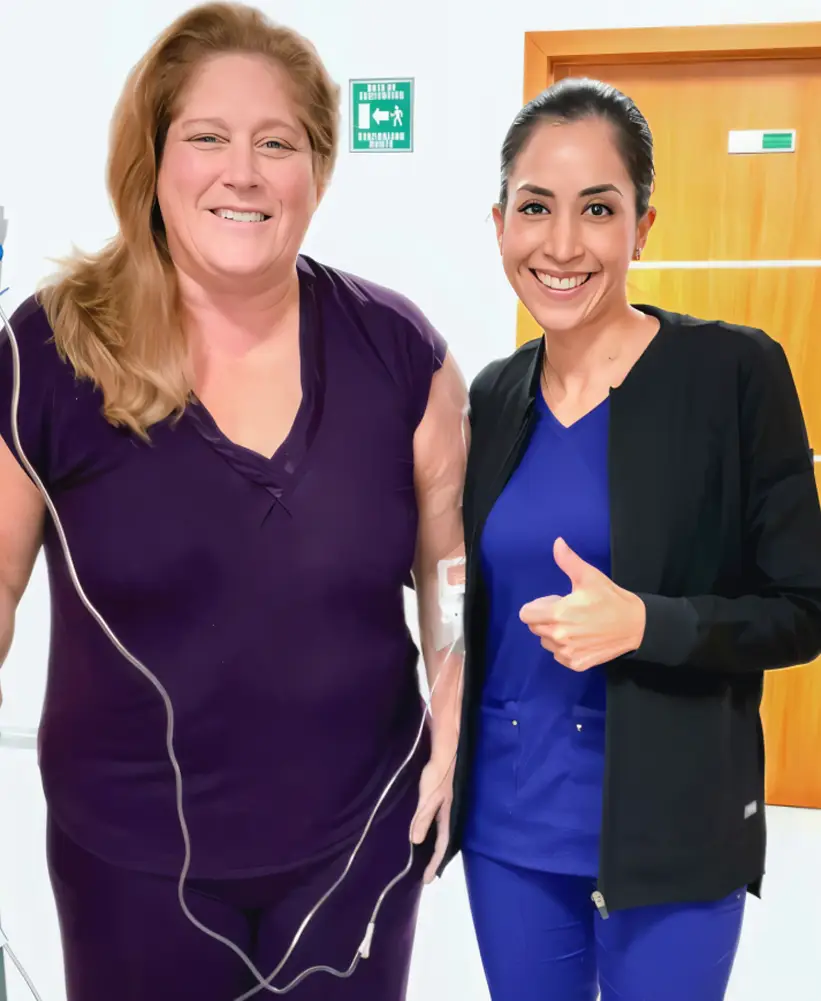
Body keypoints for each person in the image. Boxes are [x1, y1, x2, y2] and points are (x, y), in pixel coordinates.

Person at [0, 4, 467, 1000]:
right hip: (131, 859)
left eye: (276, 142)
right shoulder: (49, 352)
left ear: (319, 168)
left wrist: (455, 713)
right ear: (154, 158)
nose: (241, 172)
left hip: (357, 842)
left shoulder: (400, 354)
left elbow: (446, 568)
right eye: (206, 136)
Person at [436, 77, 821, 1001]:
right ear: (499, 226)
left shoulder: (733, 374)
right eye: (535, 208)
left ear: (641, 227)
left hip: (674, 828)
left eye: (597, 209)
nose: (561, 244)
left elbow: (802, 610)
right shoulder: (489, 396)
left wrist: (647, 623)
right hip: (512, 828)